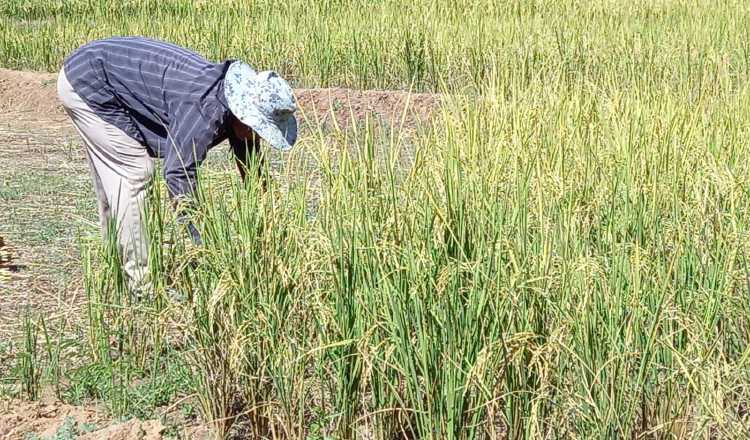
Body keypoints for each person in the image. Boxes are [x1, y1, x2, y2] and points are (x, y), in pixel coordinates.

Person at [57, 36, 298, 291]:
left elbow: (251, 164)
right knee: (134, 175)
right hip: (90, 83)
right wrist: (205, 244)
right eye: (259, 129)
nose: (258, 136)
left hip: (101, 74)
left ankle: (115, 269)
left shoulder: (234, 99)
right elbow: (178, 175)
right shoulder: (205, 109)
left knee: (116, 180)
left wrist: (271, 221)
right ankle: (142, 287)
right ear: (244, 114)